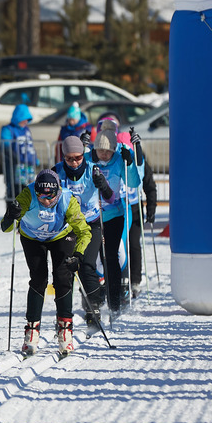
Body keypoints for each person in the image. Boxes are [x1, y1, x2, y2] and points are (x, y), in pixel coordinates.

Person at [1, 169, 92, 357]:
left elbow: (84, 231)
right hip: (32, 237)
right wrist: (11, 215)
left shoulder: (67, 200)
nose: (46, 201)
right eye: (41, 196)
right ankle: (31, 331)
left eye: (50, 197)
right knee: (38, 279)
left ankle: (65, 330)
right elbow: (5, 227)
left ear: (58, 191)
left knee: (63, 277)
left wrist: (79, 255)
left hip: (61, 236)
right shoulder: (27, 194)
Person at [53, 135, 111, 328]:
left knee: (87, 265)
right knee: (65, 270)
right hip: (67, 226)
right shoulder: (57, 172)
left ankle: (93, 308)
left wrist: (102, 184)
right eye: (69, 158)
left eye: (78, 158)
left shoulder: (93, 170)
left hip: (90, 224)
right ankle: (64, 315)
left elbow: (110, 197)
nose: (74, 162)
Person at [89, 128, 134, 317]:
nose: (104, 154)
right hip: (93, 216)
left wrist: (130, 162)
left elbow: (133, 183)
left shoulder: (118, 161)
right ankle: (93, 300)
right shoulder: (89, 160)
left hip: (114, 216)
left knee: (111, 257)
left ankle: (114, 300)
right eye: (101, 150)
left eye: (108, 151)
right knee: (92, 259)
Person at [118, 128, 158, 301]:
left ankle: (135, 280)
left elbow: (149, 186)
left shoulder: (140, 163)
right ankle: (119, 279)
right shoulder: (114, 163)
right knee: (120, 246)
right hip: (118, 209)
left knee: (134, 244)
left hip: (134, 209)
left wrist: (151, 208)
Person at [0, 103, 38, 207]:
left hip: (28, 166)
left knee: (28, 190)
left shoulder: (26, 129)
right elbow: (5, 146)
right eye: (23, 119)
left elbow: (30, 144)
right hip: (14, 166)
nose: (25, 121)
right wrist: (15, 158)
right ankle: (11, 214)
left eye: (27, 119)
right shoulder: (7, 129)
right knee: (14, 191)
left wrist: (35, 158)